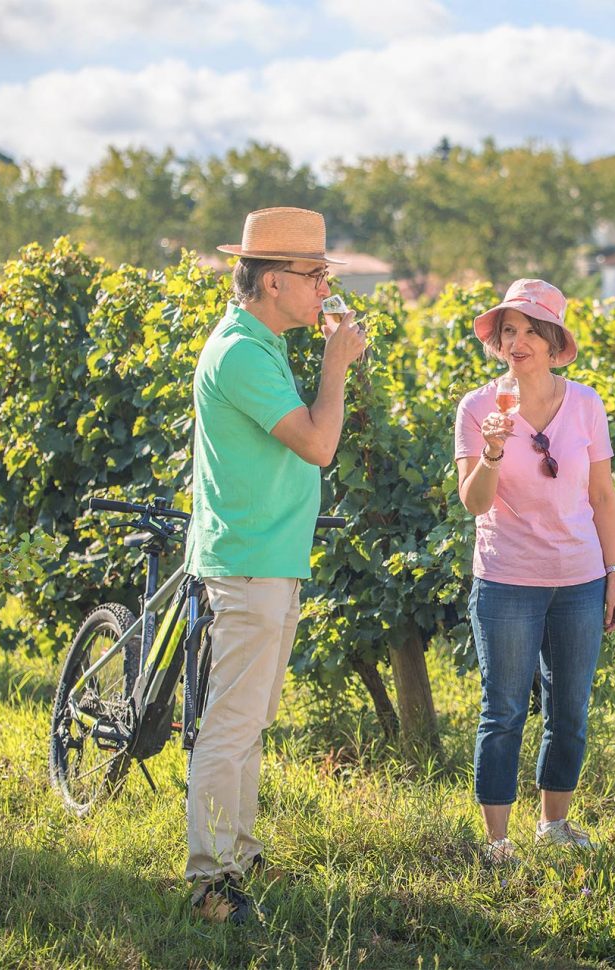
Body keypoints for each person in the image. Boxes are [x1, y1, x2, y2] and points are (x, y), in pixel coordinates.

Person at [184, 206, 367, 924]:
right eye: (313, 274)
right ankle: (209, 880)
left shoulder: (258, 346)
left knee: (250, 719)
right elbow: (319, 445)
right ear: (269, 282)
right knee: (230, 725)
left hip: (268, 557)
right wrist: (335, 367)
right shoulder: (240, 354)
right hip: (250, 561)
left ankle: (242, 854)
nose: (324, 287)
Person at [453, 278, 615, 866]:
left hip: (579, 578)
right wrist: (495, 451)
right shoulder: (479, 408)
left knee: (569, 709)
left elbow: (603, 496)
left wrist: (614, 574)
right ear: (498, 342)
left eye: (531, 330)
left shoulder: (586, 403)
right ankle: (497, 841)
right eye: (509, 331)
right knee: (502, 710)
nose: (518, 340)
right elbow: (474, 502)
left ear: (554, 343)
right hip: (506, 579)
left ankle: (554, 824)